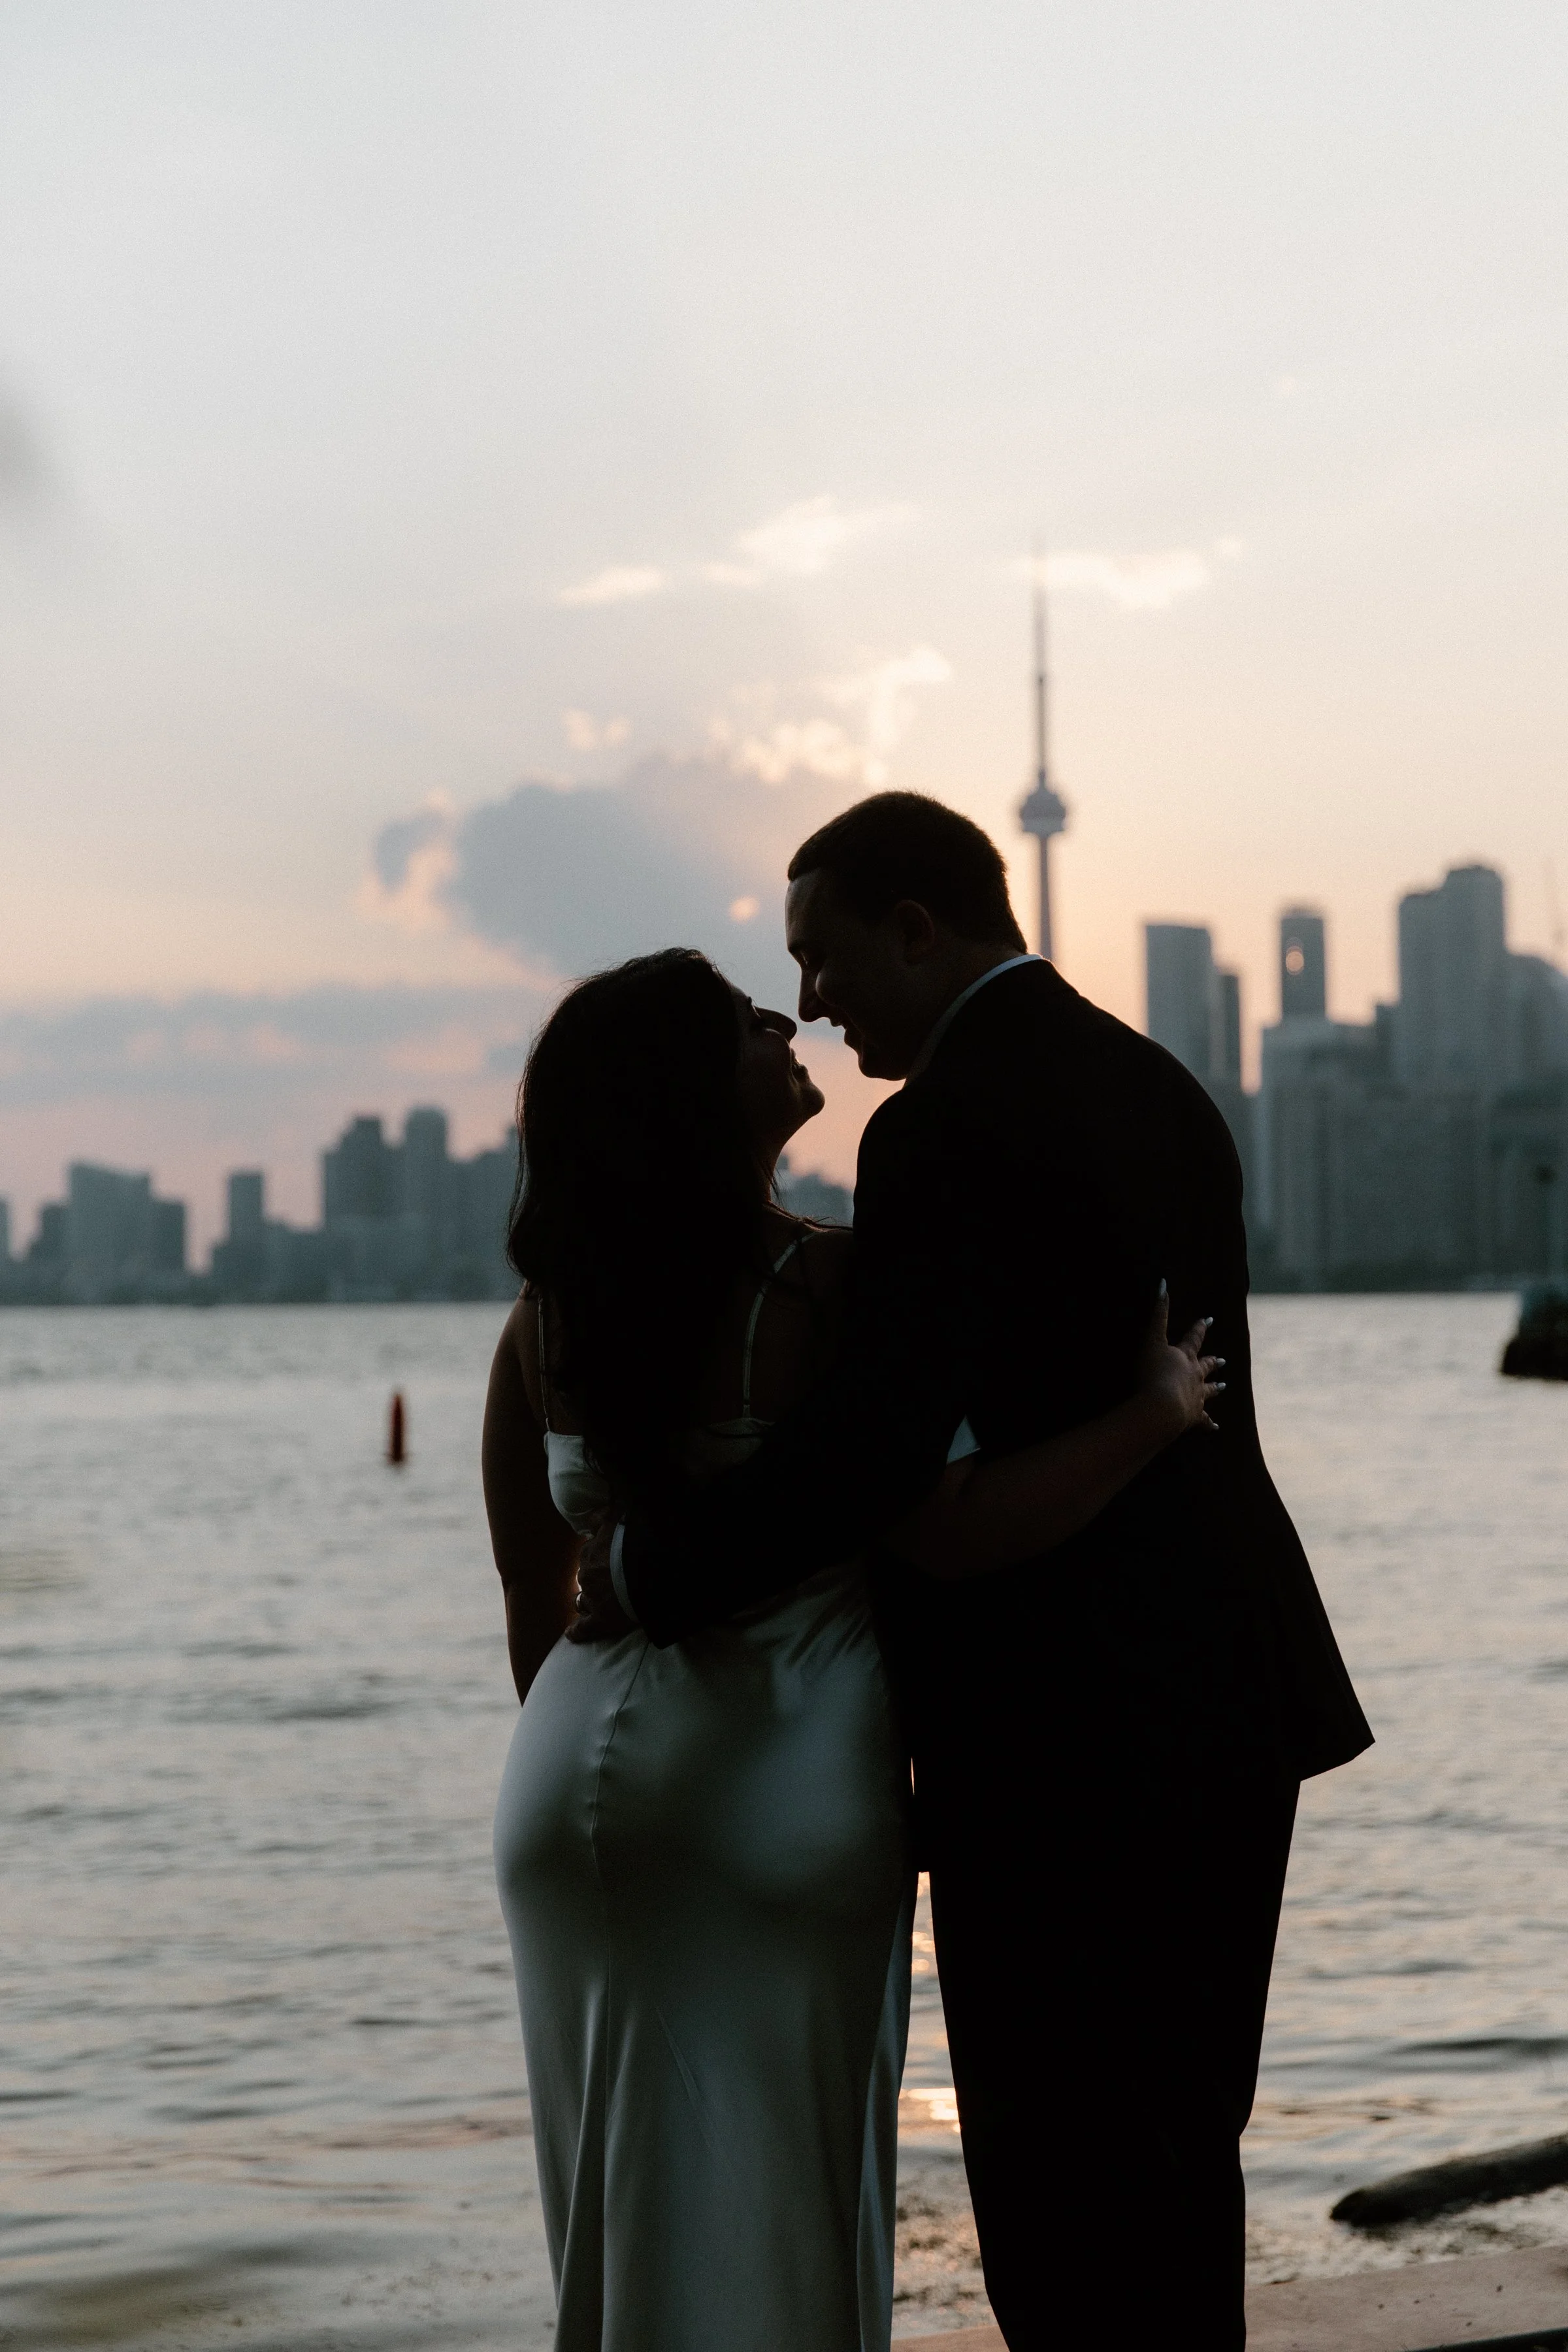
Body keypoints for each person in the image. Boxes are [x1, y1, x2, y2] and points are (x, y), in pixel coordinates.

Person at [572, 794, 1373, 2352]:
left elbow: (872, 1455)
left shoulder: (942, 1129)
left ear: (916, 929)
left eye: (820, 957)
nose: (810, 999)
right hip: (1230, 1694)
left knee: (1063, 2215)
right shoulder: (1168, 1088)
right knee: (1176, 2168)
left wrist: (654, 1567)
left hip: (1067, 1735)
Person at [484, 945, 1225, 2352]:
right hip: (781, 1789)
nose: (786, 1017)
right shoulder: (836, 1290)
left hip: (560, 1804)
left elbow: (538, 1601)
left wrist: (624, 1786)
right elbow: (950, 1529)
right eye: (745, 1018)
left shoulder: (546, 1320)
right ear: (694, 1092)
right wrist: (1154, 1413)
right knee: (793, 2190)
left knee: (615, 2204)